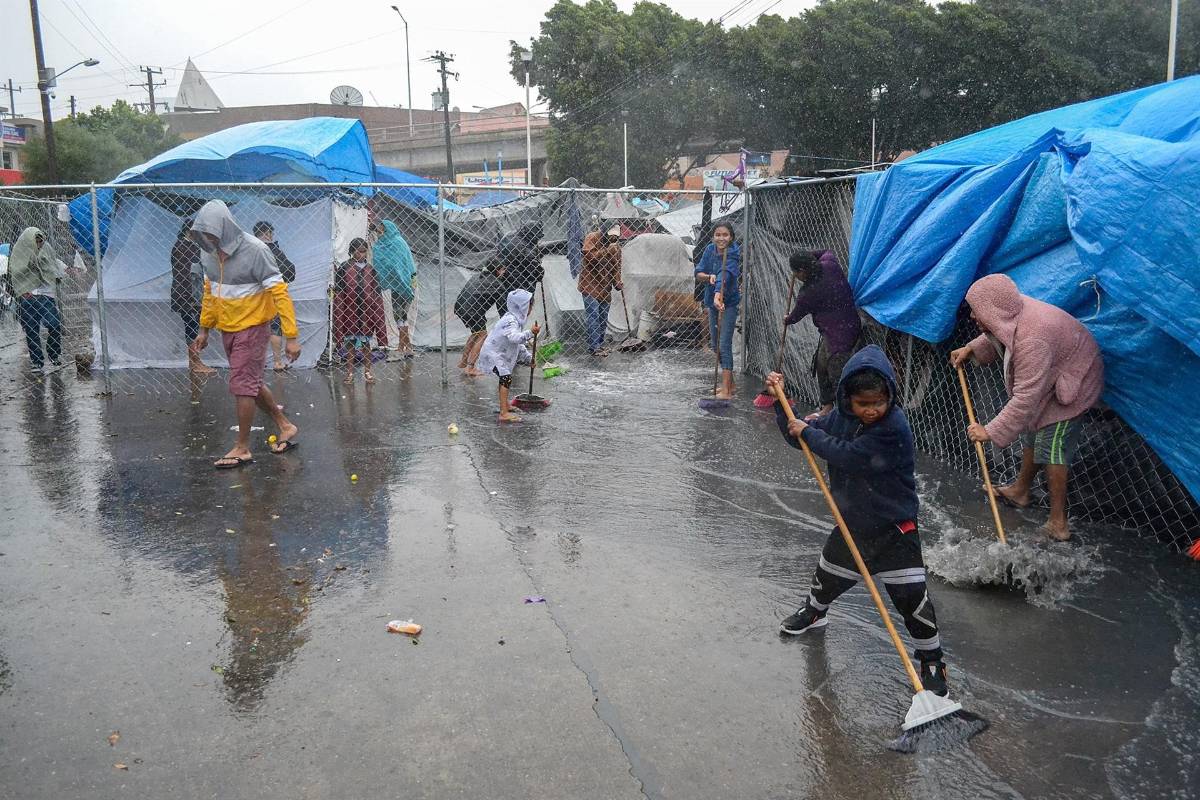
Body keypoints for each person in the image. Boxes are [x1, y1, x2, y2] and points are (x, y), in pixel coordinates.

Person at [765, 346, 950, 696]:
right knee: (828, 575)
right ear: (847, 399)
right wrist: (781, 403)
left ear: (889, 397)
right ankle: (815, 612)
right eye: (862, 404)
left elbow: (846, 455)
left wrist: (808, 432)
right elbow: (802, 438)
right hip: (853, 521)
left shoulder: (893, 426)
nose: (870, 410)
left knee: (913, 599)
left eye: (877, 402)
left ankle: (932, 659)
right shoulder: (843, 417)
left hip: (895, 528)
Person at [950, 273, 1104, 541]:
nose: (973, 316)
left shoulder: (1033, 339)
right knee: (1033, 430)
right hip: (1055, 371)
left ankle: (1058, 523)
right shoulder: (1011, 312)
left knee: (1052, 447)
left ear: (992, 309)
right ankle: (1021, 491)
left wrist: (990, 431)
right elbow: (1001, 331)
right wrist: (971, 348)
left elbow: (1025, 398)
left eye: (976, 311)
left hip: (1076, 380)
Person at [189, 200, 301, 469]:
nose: (207, 239)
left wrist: (291, 336)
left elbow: (279, 292)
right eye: (203, 234)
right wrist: (204, 329)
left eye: (212, 233)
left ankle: (242, 447)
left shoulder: (256, 251)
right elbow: (210, 293)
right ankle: (285, 426)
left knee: (242, 384)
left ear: (225, 228)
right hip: (228, 328)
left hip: (253, 328)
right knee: (249, 382)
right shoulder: (209, 254)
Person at [783, 249, 862, 414]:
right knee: (821, 365)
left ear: (801, 272)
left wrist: (787, 319)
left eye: (796, 272)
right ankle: (827, 406)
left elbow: (795, 317)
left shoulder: (807, 293)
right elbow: (825, 251)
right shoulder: (830, 265)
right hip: (846, 325)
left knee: (837, 374)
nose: (795, 276)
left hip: (840, 336)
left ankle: (844, 414)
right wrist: (805, 257)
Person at [476, 288, 539, 424]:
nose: (530, 310)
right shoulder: (510, 321)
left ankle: (505, 406)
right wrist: (530, 333)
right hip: (493, 355)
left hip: (497, 354)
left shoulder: (514, 320)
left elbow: (518, 345)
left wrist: (529, 358)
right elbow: (515, 338)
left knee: (505, 378)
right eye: (529, 306)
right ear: (521, 306)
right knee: (506, 378)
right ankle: (503, 413)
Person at [6, 227, 63, 373]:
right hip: (28, 296)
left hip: (46, 295)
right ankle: (37, 361)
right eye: (35, 242)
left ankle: (53, 353)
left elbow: (53, 267)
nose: (38, 245)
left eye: (40, 241)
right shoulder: (21, 251)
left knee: (54, 325)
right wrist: (23, 291)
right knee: (32, 330)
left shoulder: (46, 249)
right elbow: (16, 273)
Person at [694, 222, 741, 400]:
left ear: (731, 237)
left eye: (725, 235)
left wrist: (717, 295)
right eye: (718, 235)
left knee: (724, 345)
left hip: (727, 303)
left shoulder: (733, 253)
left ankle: (727, 390)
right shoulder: (709, 250)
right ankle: (731, 384)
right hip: (711, 301)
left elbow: (725, 274)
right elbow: (698, 272)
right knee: (715, 345)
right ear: (713, 236)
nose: (721, 238)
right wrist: (708, 277)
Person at [332, 237, 388, 385]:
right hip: (349, 312)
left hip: (366, 314)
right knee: (350, 344)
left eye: (364, 252)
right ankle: (350, 372)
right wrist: (339, 315)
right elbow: (339, 295)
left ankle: (368, 372)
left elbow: (376, 296)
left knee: (365, 344)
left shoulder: (371, 270)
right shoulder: (344, 268)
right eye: (359, 252)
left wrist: (377, 318)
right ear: (352, 252)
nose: (362, 255)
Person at [251, 221, 297, 372]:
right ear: (268, 233)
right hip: (273, 294)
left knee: (255, 328)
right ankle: (277, 362)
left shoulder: (250, 250)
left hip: (254, 295)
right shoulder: (274, 250)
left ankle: (256, 361)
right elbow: (289, 269)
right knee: (275, 328)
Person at [171, 220, 216, 375]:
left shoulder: (185, 246)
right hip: (189, 295)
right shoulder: (184, 247)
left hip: (189, 294)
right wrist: (192, 298)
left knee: (194, 327)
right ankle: (195, 363)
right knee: (192, 328)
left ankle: (196, 362)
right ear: (190, 232)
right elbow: (188, 275)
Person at [370, 219, 417, 359]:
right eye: (379, 232)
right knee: (399, 315)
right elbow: (382, 262)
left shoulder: (398, 242)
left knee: (402, 314)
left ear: (388, 229)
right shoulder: (383, 244)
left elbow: (402, 263)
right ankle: (407, 347)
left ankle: (402, 347)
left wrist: (400, 277)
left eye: (382, 231)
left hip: (406, 282)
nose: (380, 234)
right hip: (396, 284)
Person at [453, 263, 508, 377]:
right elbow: (501, 306)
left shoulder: (477, 276)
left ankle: (463, 362)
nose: (504, 272)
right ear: (497, 270)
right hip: (473, 311)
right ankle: (470, 367)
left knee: (475, 333)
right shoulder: (497, 284)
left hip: (461, 307)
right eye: (503, 269)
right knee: (483, 335)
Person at [578, 223, 623, 357]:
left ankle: (599, 343)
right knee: (594, 316)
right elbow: (588, 257)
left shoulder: (615, 247)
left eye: (615, 237)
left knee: (603, 317)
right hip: (590, 284)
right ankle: (594, 347)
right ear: (604, 233)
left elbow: (617, 266)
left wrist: (617, 281)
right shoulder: (592, 237)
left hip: (605, 286)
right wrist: (606, 251)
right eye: (611, 236)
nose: (613, 239)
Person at [497, 222, 545, 308]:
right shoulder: (525, 249)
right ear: (532, 236)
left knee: (506, 311)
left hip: (503, 283)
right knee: (519, 312)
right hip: (519, 286)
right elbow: (537, 273)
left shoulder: (508, 236)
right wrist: (540, 269)